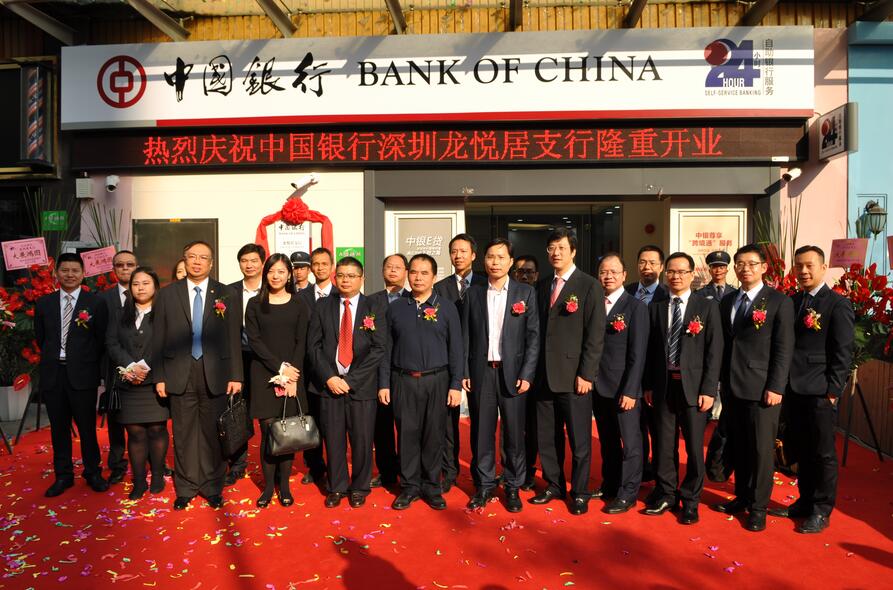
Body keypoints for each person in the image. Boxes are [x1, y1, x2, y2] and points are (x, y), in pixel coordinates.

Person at [768, 245, 854, 534]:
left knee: (823, 453)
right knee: (801, 449)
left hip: (819, 390)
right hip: (793, 388)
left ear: (823, 267)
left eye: (809, 266)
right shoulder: (792, 301)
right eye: (798, 266)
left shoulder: (837, 304)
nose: (803, 271)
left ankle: (821, 509)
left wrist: (833, 391)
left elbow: (843, 352)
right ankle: (804, 501)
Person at [153, 240, 243, 511]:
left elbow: (233, 338)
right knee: (183, 433)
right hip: (179, 372)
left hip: (215, 372)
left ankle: (212, 486)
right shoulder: (168, 294)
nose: (196, 261)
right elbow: (158, 338)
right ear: (184, 260)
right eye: (192, 256)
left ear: (211, 263)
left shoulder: (226, 293)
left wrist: (236, 375)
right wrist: (159, 376)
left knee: (213, 432)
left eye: (203, 257)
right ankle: (186, 487)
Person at [711, 244, 794, 532]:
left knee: (760, 450)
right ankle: (743, 497)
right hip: (731, 386)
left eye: (751, 264)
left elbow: (784, 348)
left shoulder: (779, 301)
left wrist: (776, 386)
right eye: (740, 264)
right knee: (740, 445)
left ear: (763, 268)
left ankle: (758, 508)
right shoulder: (727, 300)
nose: (745, 269)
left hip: (762, 389)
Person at [642, 252, 722, 525]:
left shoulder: (706, 307)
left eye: (681, 272)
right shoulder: (656, 307)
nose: (676, 277)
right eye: (671, 272)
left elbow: (714, 351)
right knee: (664, 444)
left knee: (694, 448)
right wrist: (649, 385)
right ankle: (667, 493)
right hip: (663, 385)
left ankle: (690, 499)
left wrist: (709, 390)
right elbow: (651, 351)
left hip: (694, 388)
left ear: (692, 274)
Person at [379, 254, 463, 511]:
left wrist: (455, 384)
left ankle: (432, 486)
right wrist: (384, 383)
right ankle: (409, 487)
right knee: (407, 434)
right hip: (403, 380)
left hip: (437, 381)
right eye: (414, 272)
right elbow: (386, 349)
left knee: (434, 435)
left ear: (434, 277)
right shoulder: (396, 308)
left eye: (424, 273)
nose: (418, 277)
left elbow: (456, 349)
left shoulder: (446, 307)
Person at [530, 229, 605, 515]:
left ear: (573, 251)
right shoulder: (542, 285)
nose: (556, 253)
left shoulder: (589, 285)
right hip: (544, 376)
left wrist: (587, 373)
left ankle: (580, 491)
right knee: (548, 437)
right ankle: (554, 485)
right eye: (551, 247)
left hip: (575, 378)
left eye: (561, 247)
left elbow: (595, 335)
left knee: (579, 440)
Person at [462, 239, 539, 513]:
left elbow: (533, 337)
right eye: (490, 256)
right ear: (484, 260)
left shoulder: (525, 293)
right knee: (481, 432)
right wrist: (464, 370)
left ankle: (513, 485)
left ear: (510, 261)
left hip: (513, 374)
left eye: (501, 257)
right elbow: (466, 335)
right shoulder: (473, 293)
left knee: (514, 434)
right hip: (481, 372)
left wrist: (527, 373)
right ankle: (483, 485)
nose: (495, 262)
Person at [308, 257, 387, 508]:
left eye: (352, 276)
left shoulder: (373, 306)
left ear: (362, 278)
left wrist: (351, 380)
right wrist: (329, 377)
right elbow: (313, 346)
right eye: (341, 275)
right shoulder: (323, 306)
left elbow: (379, 348)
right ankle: (337, 486)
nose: (345, 280)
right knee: (333, 440)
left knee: (362, 440)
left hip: (361, 386)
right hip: (329, 385)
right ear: (335, 277)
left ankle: (360, 486)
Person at [36, 253, 110, 497]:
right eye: (65, 270)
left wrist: (88, 365)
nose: (70, 274)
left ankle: (93, 472)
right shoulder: (44, 303)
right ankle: (63, 475)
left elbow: (100, 340)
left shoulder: (95, 303)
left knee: (87, 428)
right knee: (58, 428)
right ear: (56, 272)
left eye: (75, 270)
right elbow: (40, 338)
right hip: (53, 374)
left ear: (83, 274)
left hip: (83, 375)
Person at [245, 254, 309, 508]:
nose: (276, 276)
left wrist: (292, 375)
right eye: (272, 271)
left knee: (287, 433)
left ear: (289, 275)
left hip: (293, 376)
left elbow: (301, 341)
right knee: (269, 432)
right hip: (264, 375)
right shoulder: (254, 304)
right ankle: (268, 487)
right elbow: (254, 340)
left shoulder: (299, 303)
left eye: (281, 271)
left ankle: (284, 487)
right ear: (265, 273)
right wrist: (280, 368)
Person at [105, 267, 170, 500]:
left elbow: (168, 343)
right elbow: (111, 343)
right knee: (135, 433)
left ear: (155, 286)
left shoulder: (164, 312)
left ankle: (158, 475)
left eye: (145, 283)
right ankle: (140, 481)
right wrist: (131, 366)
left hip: (155, 380)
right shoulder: (120, 313)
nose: (140, 288)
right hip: (128, 381)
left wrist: (144, 366)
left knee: (157, 429)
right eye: (136, 284)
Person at [592, 253, 648, 515]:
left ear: (625, 275)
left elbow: (639, 354)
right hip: (598, 386)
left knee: (631, 444)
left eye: (614, 272)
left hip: (624, 388)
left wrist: (631, 390)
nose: (608, 276)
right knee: (608, 441)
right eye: (604, 271)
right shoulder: (594, 303)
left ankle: (628, 493)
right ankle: (610, 485)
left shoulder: (635, 307)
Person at [434, 233, 487, 492]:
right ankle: (449, 470)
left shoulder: (486, 284)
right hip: (448, 361)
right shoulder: (440, 287)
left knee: (481, 420)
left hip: (480, 361)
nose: (458, 256)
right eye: (454, 251)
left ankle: (482, 472)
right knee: (448, 421)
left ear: (474, 255)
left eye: (463, 251)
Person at [625, 244, 669, 483]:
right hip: (629, 371)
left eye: (652, 262)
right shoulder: (627, 291)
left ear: (661, 267)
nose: (647, 267)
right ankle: (639, 470)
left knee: (658, 427)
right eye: (642, 262)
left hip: (657, 372)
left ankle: (661, 476)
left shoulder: (667, 295)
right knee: (634, 426)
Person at [225, 243, 266, 487]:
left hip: (265, 361)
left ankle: (270, 464)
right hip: (238, 358)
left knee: (266, 415)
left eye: (253, 260)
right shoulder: (228, 292)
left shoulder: (272, 289)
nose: (249, 265)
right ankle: (238, 464)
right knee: (237, 413)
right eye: (244, 260)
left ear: (262, 263)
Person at [368, 253, 410, 488]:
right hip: (376, 374)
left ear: (406, 272)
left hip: (406, 372)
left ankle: (408, 471)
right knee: (381, 427)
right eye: (389, 267)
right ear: (382, 271)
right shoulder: (371, 301)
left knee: (407, 427)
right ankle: (387, 472)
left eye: (398, 267)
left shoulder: (414, 299)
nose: (393, 270)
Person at [296, 247, 337, 484]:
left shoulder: (341, 294)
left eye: (324, 264)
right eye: (316, 264)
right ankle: (314, 465)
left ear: (332, 267)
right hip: (307, 370)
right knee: (310, 420)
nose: (320, 268)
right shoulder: (300, 297)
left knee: (333, 424)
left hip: (334, 371)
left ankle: (336, 466)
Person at [100, 249, 138, 485]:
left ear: (137, 267)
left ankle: (153, 460)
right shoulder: (102, 299)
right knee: (115, 418)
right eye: (120, 265)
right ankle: (117, 463)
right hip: (113, 366)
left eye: (129, 264)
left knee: (149, 418)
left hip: (145, 366)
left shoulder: (149, 292)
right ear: (113, 269)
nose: (125, 268)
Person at [700, 251, 736, 480]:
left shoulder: (735, 293)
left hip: (731, 356)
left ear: (727, 269)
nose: (718, 270)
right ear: (710, 270)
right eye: (715, 267)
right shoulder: (701, 294)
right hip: (710, 354)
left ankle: (722, 460)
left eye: (722, 267)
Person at [512, 253, 541, 488]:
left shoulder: (542, 296)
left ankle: (529, 470)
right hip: (511, 371)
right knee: (511, 426)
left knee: (533, 426)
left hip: (538, 373)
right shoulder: (509, 295)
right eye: (520, 271)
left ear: (536, 275)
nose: (524, 276)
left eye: (529, 272)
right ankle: (511, 469)